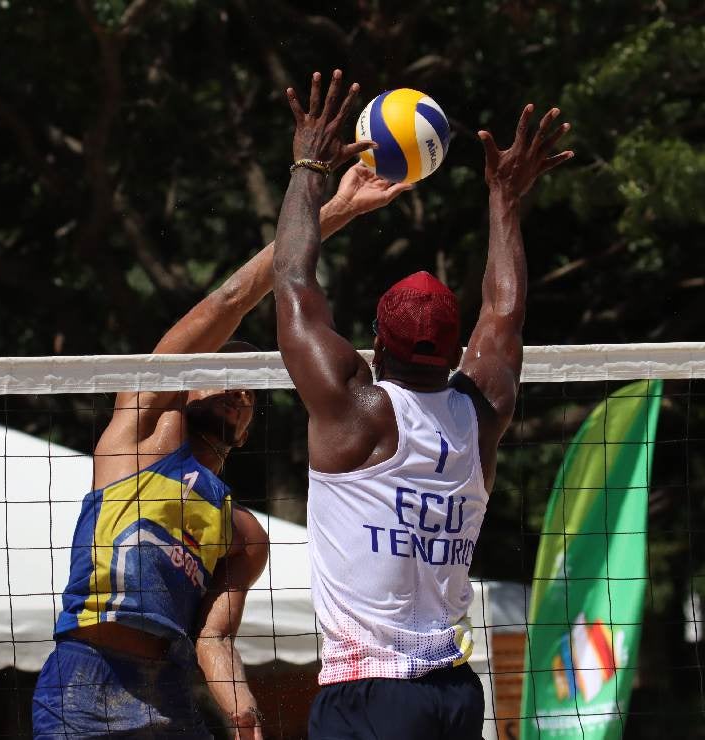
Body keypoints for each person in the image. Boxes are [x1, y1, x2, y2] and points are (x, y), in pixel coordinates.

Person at [31, 162, 414, 739]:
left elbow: (215, 636)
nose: (239, 391)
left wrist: (244, 712)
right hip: (85, 679)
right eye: (225, 373)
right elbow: (233, 298)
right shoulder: (139, 432)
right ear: (190, 381)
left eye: (250, 389)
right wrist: (336, 211)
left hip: (165, 690)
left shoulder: (244, 534)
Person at [271, 69, 572, 739]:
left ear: (377, 343)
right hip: (453, 693)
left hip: (370, 693)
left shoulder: (360, 415)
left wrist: (308, 167)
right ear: (452, 348)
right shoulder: (478, 416)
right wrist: (503, 198)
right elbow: (504, 314)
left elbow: (292, 284)